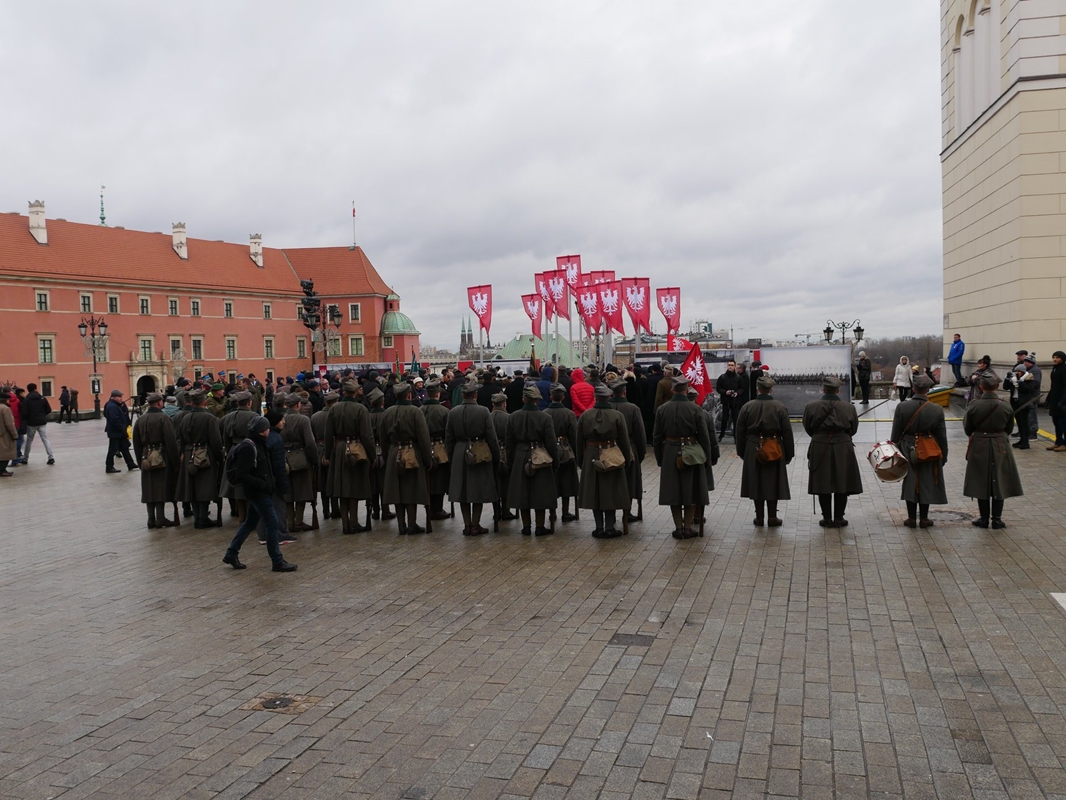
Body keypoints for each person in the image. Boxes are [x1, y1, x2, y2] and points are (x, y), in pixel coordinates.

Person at [221, 415, 297, 572]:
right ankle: (277, 560)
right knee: (272, 523)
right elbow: (243, 474)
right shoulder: (248, 447)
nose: (269, 430)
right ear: (261, 430)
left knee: (250, 523)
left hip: (261, 491)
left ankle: (231, 553)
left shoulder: (259, 443)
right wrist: (262, 484)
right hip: (257, 492)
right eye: (267, 428)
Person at [653, 374, 718, 540]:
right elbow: (704, 436)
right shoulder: (696, 409)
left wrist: (660, 458)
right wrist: (707, 458)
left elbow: (657, 436)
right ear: (687, 389)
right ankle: (688, 527)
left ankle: (677, 527)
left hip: (669, 452)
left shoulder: (662, 409)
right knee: (692, 490)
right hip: (692, 452)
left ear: (672, 390)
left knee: (673, 491)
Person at [964, 372, 1023, 528]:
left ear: (981, 387)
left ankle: (983, 518)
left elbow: (967, 429)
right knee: (1000, 480)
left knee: (981, 480)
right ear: (997, 386)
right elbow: (1009, 428)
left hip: (979, 444)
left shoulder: (974, 405)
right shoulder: (1005, 405)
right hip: (1000, 444)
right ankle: (996, 519)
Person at [802, 376, 863, 527]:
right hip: (843, 446)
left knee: (823, 482)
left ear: (823, 389)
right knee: (842, 481)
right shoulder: (849, 407)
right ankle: (839, 517)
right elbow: (853, 429)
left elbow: (808, 427)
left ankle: (827, 518)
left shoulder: (811, 406)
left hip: (820, 445)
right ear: (838, 390)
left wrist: (820, 437)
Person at [734, 375, 794, 527]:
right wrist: (788, 453)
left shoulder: (747, 407)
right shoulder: (779, 406)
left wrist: (741, 452)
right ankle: (772, 517)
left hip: (752, 446)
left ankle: (759, 517)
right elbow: (787, 432)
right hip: (774, 445)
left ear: (757, 389)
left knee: (756, 481)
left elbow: (739, 432)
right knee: (773, 482)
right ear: (771, 390)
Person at [890, 374, 948, 528]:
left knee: (910, 480)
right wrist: (944, 455)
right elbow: (941, 435)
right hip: (929, 447)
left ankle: (910, 518)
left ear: (913, 389)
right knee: (927, 480)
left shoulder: (902, 407)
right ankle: (924, 518)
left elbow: (896, 433)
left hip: (907, 446)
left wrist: (895, 450)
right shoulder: (936, 409)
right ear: (928, 389)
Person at [575, 383, 633, 538]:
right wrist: (627, 459)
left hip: (591, 454)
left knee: (594, 492)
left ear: (595, 397)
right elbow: (624, 441)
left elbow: (579, 440)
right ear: (609, 397)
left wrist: (581, 461)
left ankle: (599, 527)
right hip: (611, 453)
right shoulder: (617, 416)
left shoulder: (585, 415)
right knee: (611, 491)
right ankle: (609, 527)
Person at [444, 381, 501, 535]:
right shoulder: (483, 411)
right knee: (478, 490)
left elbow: (448, 438)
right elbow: (492, 437)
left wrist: (452, 457)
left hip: (459, 451)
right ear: (475, 395)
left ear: (462, 395)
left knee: (462, 491)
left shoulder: (453, 412)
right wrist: (496, 457)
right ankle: (475, 524)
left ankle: (467, 525)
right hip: (479, 451)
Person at [379, 381, 434, 535]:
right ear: (409, 394)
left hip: (393, 452)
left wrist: (387, 456)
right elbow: (423, 437)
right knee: (411, 490)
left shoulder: (387, 412)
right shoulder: (416, 412)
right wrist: (427, 459)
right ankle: (411, 525)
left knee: (397, 491)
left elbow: (382, 438)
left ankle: (401, 525)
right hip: (412, 452)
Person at [323, 380, 376, 534]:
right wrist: (372, 455)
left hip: (339, 449)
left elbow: (328, 435)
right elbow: (367, 435)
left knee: (342, 487)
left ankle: (346, 523)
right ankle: (353, 522)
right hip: (356, 449)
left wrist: (328, 454)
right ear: (355, 392)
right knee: (353, 487)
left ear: (343, 392)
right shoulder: (361, 409)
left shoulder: (334, 409)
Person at [505, 384, 559, 536]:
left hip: (520, 455)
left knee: (522, 492)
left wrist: (511, 462)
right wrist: (555, 462)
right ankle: (540, 526)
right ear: (537, 400)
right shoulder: (545, 417)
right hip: (540, 455)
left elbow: (509, 443)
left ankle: (526, 526)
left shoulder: (513, 416)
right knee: (540, 492)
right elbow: (550, 442)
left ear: (524, 399)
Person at [174, 389, 225, 528]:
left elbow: (180, 439)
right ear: (204, 402)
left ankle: (198, 517)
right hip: (205, 455)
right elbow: (216, 441)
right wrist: (220, 458)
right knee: (205, 488)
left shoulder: (185, 418)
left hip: (189, 454)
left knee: (192, 488)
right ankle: (202, 518)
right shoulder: (210, 418)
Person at [131, 392, 180, 528]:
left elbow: (136, 443)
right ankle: (160, 518)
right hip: (161, 456)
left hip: (145, 457)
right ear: (159, 403)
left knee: (148, 488)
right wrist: (175, 463)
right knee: (160, 487)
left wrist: (140, 461)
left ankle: (151, 519)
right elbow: (171, 442)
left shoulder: (140, 420)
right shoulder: (164, 418)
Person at [609, 376, 647, 522]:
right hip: (630, 448)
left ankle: (610, 513)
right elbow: (640, 434)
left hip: (609, 448)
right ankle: (627, 511)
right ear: (624, 392)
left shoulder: (606, 408)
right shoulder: (633, 409)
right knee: (630, 480)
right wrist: (641, 453)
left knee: (611, 482)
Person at [218, 391, 259, 522]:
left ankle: (242, 515)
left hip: (233, 449)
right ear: (249, 402)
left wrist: (229, 451)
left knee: (237, 484)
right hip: (249, 449)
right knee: (250, 483)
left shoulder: (228, 417)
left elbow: (225, 438)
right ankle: (250, 517)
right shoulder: (254, 416)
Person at [281, 394, 318, 532]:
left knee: (288, 492)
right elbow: (310, 443)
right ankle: (298, 521)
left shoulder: (281, 419)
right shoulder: (303, 420)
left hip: (283, 457)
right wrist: (314, 460)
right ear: (297, 405)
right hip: (301, 457)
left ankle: (290, 522)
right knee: (302, 491)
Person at [544, 383, 580, 523]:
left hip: (549, 450)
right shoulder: (569, 414)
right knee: (567, 483)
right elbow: (573, 436)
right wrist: (576, 454)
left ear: (551, 397)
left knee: (552, 483)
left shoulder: (544, 413)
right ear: (563, 397)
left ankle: (552, 512)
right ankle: (565, 512)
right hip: (566, 450)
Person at [421, 380, 452, 520]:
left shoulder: (419, 410)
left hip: (424, 447)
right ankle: (438, 509)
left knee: (428, 479)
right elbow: (449, 433)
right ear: (438, 394)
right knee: (439, 480)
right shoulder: (444, 411)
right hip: (440, 447)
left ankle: (430, 508)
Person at [311, 390, 340, 520]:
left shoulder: (315, 416)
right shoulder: (337, 415)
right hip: (333, 448)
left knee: (322, 482)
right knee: (333, 480)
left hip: (318, 449)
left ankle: (325, 510)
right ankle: (335, 509)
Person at [489, 392, 515, 523]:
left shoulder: (487, 417)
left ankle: (496, 510)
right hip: (505, 451)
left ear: (493, 404)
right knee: (506, 481)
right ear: (504, 404)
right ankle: (505, 509)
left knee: (494, 480)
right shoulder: (509, 418)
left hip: (490, 451)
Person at [104, 388, 138, 473]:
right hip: (116, 432)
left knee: (124, 448)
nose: (121, 398)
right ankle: (109, 467)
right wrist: (122, 428)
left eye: (121, 396)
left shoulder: (115, 405)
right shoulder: (112, 406)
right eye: (119, 397)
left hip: (118, 432)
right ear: (113, 397)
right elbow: (115, 420)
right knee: (112, 450)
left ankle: (130, 464)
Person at [21, 382, 55, 466]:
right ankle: (51, 457)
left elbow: (24, 412)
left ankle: (25, 458)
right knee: (45, 439)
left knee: (29, 440)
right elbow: (49, 410)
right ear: (35, 388)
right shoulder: (42, 398)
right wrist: (42, 415)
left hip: (31, 423)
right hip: (42, 422)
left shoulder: (27, 399)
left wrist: (27, 419)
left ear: (28, 390)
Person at [716, 360, 743, 439]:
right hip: (726, 401)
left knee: (735, 419)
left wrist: (737, 393)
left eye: (732, 365)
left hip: (735, 401)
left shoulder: (738, 377)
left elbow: (742, 388)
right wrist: (725, 392)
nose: (730, 366)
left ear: (734, 366)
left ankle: (736, 435)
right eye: (729, 365)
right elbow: (718, 388)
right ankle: (721, 434)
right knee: (724, 418)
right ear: (727, 366)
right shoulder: (722, 377)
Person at [1047, 350, 1066, 452]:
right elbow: (1054, 385)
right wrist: (1049, 398)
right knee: (1056, 422)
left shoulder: (1064, 369)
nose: (1055, 359)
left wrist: (1062, 401)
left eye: (1057, 357)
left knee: (1063, 422)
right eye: (1054, 357)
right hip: (1054, 400)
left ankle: (1064, 443)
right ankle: (1058, 441)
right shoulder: (1055, 368)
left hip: (1062, 401)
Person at [0, 391, 17, 477]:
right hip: (4, 435)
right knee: (5, 453)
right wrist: (14, 435)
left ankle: (3, 469)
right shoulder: (5, 409)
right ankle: (2, 470)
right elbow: (9, 424)